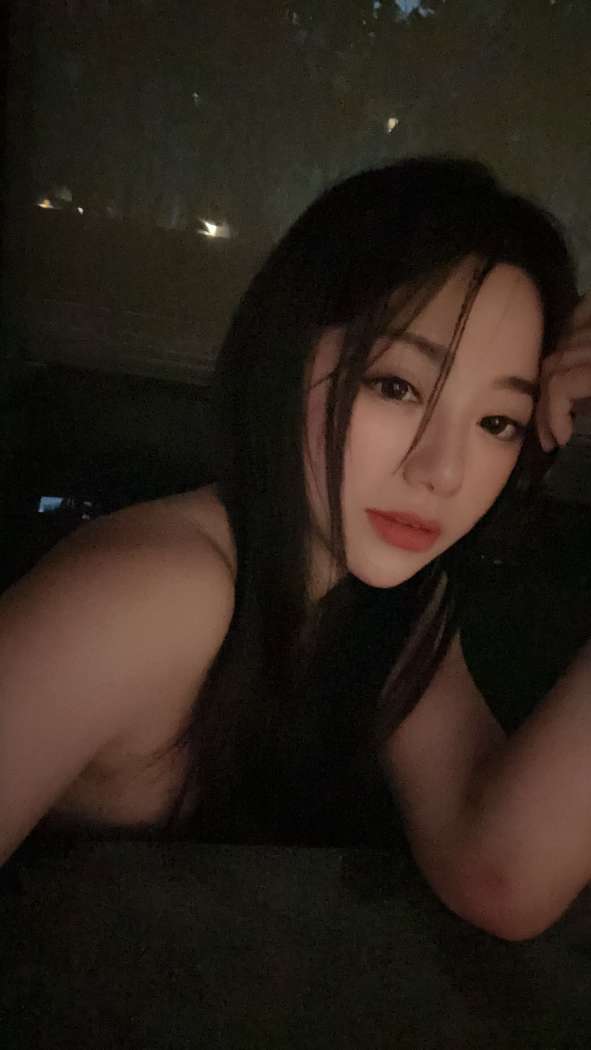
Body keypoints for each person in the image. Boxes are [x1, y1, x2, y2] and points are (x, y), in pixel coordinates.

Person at [1, 156, 590, 941]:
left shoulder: (390, 599)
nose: (441, 471)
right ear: (285, 352)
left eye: (497, 423)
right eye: (395, 386)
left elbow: (501, 876)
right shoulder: (155, 592)